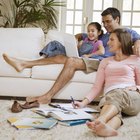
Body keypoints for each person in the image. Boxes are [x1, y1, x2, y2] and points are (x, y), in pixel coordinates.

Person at [2, 7, 140, 104]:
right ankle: (24, 63)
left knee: (72, 61)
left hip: (103, 63)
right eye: (103, 22)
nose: (105, 25)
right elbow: (84, 35)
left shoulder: (127, 33)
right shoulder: (103, 35)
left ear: (117, 19)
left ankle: (47, 96)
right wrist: (76, 38)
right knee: (63, 58)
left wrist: (138, 42)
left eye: (108, 21)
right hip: (91, 60)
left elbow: (137, 39)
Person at [73, 28, 140, 137]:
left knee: (116, 95)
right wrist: (83, 103)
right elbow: (97, 87)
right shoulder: (105, 62)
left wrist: (136, 88)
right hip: (110, 97)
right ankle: (107, 128)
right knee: (110, 103)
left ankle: (100, 119)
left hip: (130, 96)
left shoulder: (135, 59)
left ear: (121, 41)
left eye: (111, 40)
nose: (108, 43)